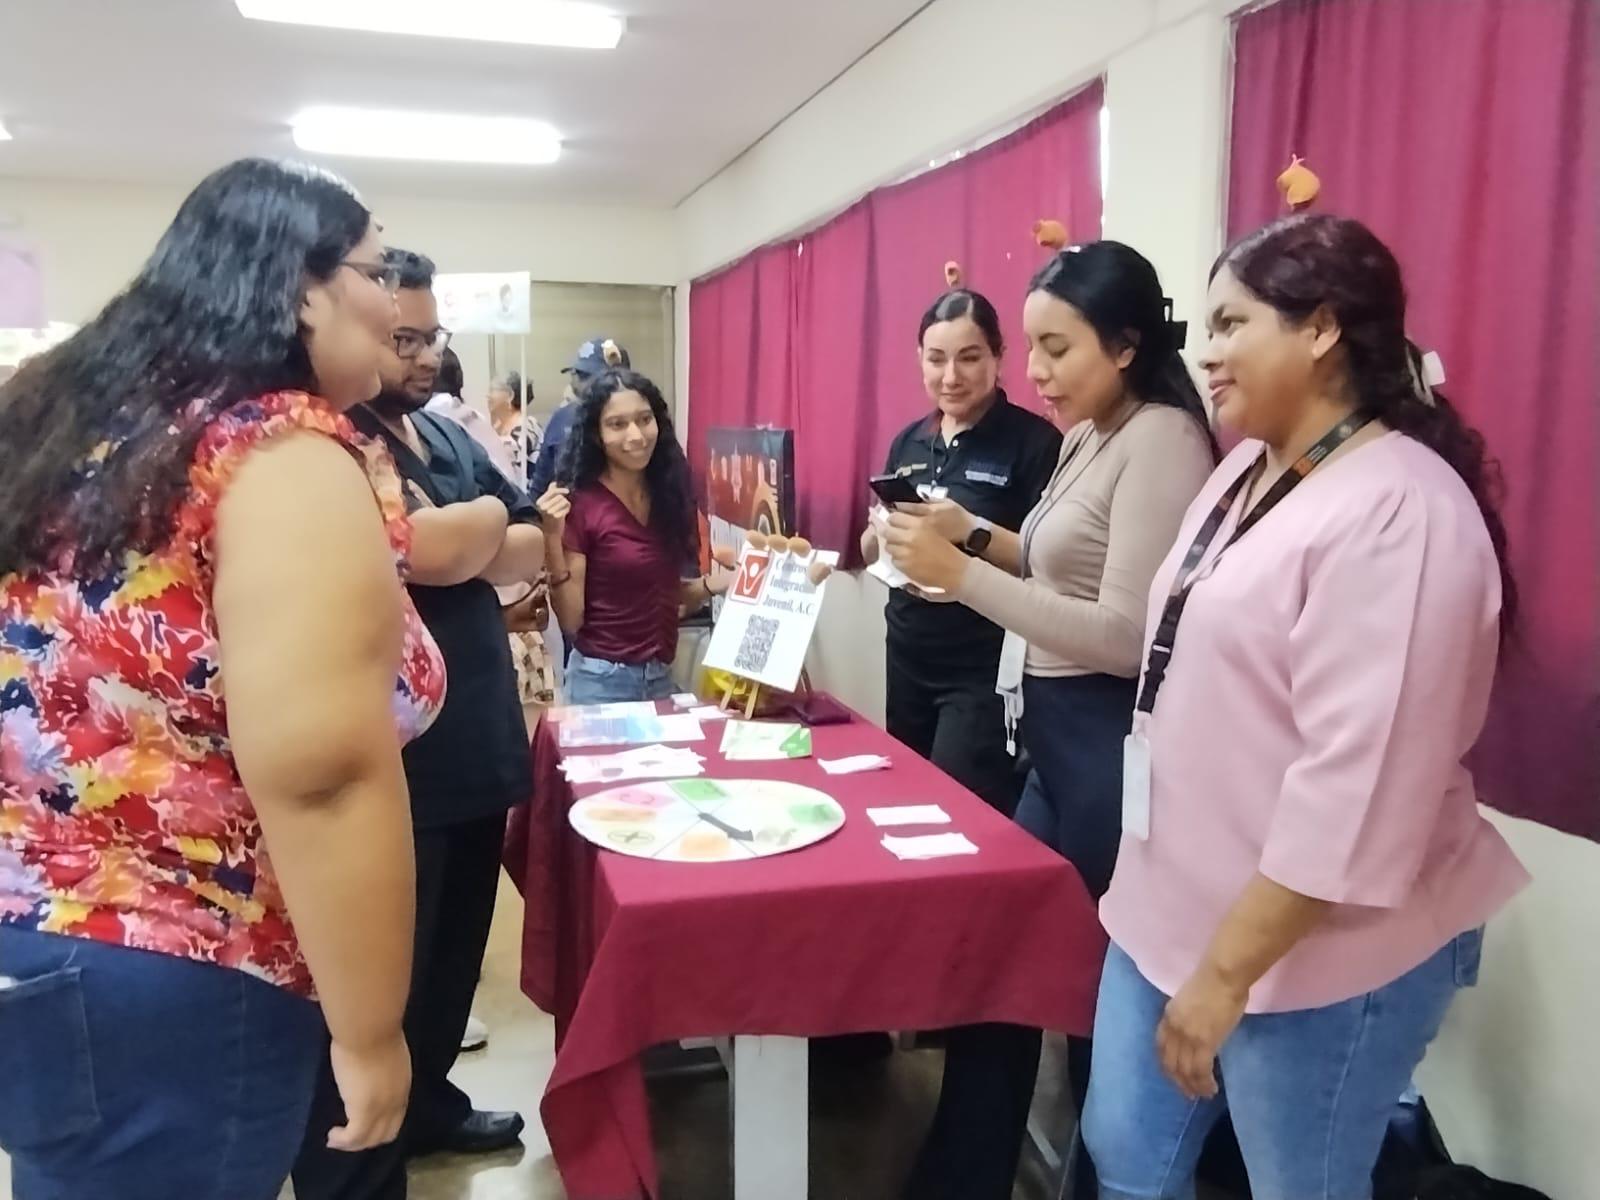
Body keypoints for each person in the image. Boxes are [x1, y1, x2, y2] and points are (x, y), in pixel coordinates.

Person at [0, 158, 444, 1198]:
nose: (394, 305)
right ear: (301, 285)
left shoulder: (76, 433)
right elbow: (321, 775)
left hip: (41, 937)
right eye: (377, 272)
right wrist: (372, 1031)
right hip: (188, 958)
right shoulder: (271, 452)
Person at [1082, 213, 1530, 1199]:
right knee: (1127, 1161)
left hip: (1313, 948)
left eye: (1232, 323)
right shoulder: (1249, 468)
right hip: (1167, 907)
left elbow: (1352, 786)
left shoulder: (1399, 511)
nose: (1206, 352)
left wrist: (1225, 978)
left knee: (1302, 1185)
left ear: (1320, 329)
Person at [885, 243, 1217, 1200]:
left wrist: (966, 580)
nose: (1034, 373)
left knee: (1092, 998)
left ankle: (1096, 1177)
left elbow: (1123, 635)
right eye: (1029, 348)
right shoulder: (1090, 431)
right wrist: (970, 532)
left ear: (1123, 345)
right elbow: (1042, 553)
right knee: (1007, 959)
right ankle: (964, 1173)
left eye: (1053, 348)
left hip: (1103, 747)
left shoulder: (1161, 439)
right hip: (1050, 743)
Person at [293, 249, 546, 1199]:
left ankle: (432, 1105)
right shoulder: (327, 443)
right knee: (377, 997)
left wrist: (475, 525)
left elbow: (529, 536)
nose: (424, 356)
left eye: (431, 336)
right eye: (402, 338)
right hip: (395, 771)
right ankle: (371, 1159)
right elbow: (438, 557)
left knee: (451, 971)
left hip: (477, 749)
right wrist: (477, 533)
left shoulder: (443, 439)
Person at [861, 278, 1061, 817]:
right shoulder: (909, 440)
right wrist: (877, 534)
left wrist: (969, 528)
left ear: (999, 357)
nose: (951, 377)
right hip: (906, 650)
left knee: (959, 813)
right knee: (904, 804)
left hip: (981, 666)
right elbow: (876, 542)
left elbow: (1049, 561)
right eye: (936, 359)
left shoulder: (1036, 444)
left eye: (970, 357)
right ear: (919, 360)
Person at [537, 365, 727, 703]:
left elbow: (662, 593)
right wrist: (551, 538)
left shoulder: (669, 495)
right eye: (617, 424)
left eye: (644, 419)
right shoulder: (581, 504)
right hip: (599, 684)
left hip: (661, 679)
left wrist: (720, 583)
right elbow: (571, 620)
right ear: (596, 434)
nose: (636, 436)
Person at [528, 334, 631, 499]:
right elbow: (540, 486)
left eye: (587, 375)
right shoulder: (561, 419)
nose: (577, 382)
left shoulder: (638, 424)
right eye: (576, 373)